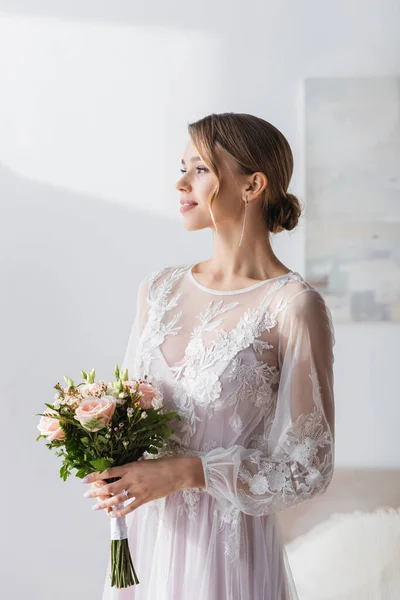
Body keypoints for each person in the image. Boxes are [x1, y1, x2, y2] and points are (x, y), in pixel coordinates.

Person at [83, 112, 336, 599]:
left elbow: (308, 467)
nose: (181, 182)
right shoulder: (158, 289)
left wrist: (188, 472)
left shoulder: (292, 306)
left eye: (199, 169)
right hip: (149, 540)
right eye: (182, 167)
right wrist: (109, 463)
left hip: (227, 551)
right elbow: (130, 411)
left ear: (252, 184)